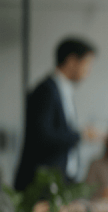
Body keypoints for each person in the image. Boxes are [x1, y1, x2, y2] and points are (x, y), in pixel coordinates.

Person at [14, 37, 100, 191]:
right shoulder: (46, 91)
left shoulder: (63, 91)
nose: (89, 71)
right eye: (87, 64)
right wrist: (81, 135)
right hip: (40, 184)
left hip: (59, 181)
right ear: (72, 61)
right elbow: (42, 136)